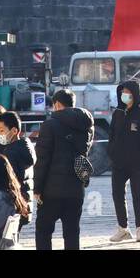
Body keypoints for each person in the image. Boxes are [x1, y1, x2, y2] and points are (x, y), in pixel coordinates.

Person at [33, 89, 95, 250]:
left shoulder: (49, 125)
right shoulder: (86, 124)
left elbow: (42, 159)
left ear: (57, 104)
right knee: (72, 232)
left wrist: (37, 188)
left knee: (43, 231)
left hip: (51, 191)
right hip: (75, 188)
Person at [108, 78, 140, 243]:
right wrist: (112, 153)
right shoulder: (117, 113)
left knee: (139, 195)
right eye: (123, 92)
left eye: (128, 93)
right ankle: (123, 228)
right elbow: (111, 136)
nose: (125, 95)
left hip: (138, 162)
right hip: (118, 163)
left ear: (135, 95)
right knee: (117, 194)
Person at [0, 111, 35, 206]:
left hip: (14, 203)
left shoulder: (11, 152)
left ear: (14, 131)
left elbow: (10, 180)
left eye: (1, 130)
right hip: (25, 201)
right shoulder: (26, 146)